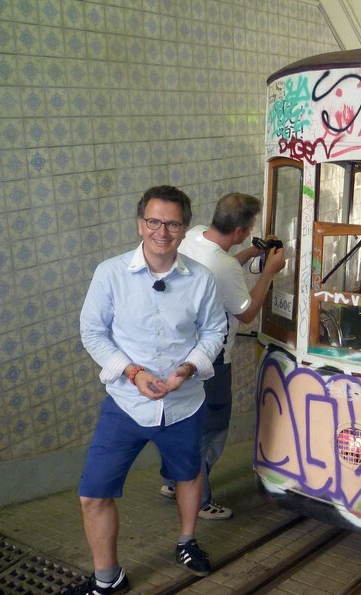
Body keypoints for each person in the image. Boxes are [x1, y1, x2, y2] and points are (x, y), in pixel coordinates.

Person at [73, 186, 227, 594]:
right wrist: (132, 372)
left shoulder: (201, 279)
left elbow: (214, 332)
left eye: (173, 223)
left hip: (183, 402)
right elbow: (92, 332)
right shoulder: (111, 273)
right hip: (125, 403)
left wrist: (189, 367)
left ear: (184, 228)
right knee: (93, 493)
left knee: (189, 474)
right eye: (154, 221)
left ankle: (186, 541)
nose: (162, 231)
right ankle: (109, 579)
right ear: (140, 224)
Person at [159, 192, 286, 520]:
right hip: (210, 361)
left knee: (183, 422)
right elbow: (246, 313)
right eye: (250, 229)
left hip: (177, 352)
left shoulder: (193, 235)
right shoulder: (224, 265)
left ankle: (173, 482)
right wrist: (268, 271)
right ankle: (199, 499)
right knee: (211, 430)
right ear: (241, 229)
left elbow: (221, 266)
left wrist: (254, 252)